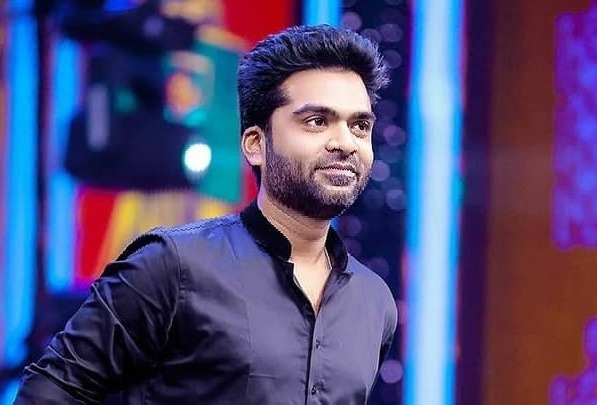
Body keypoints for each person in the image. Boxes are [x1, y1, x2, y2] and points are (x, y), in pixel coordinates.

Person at [15, 24, 397, 404]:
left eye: (359, 126)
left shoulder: (374, 303)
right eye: (317, 121)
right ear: (255, 144)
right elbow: (50, 393)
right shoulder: (172, 266)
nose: (345, 143)